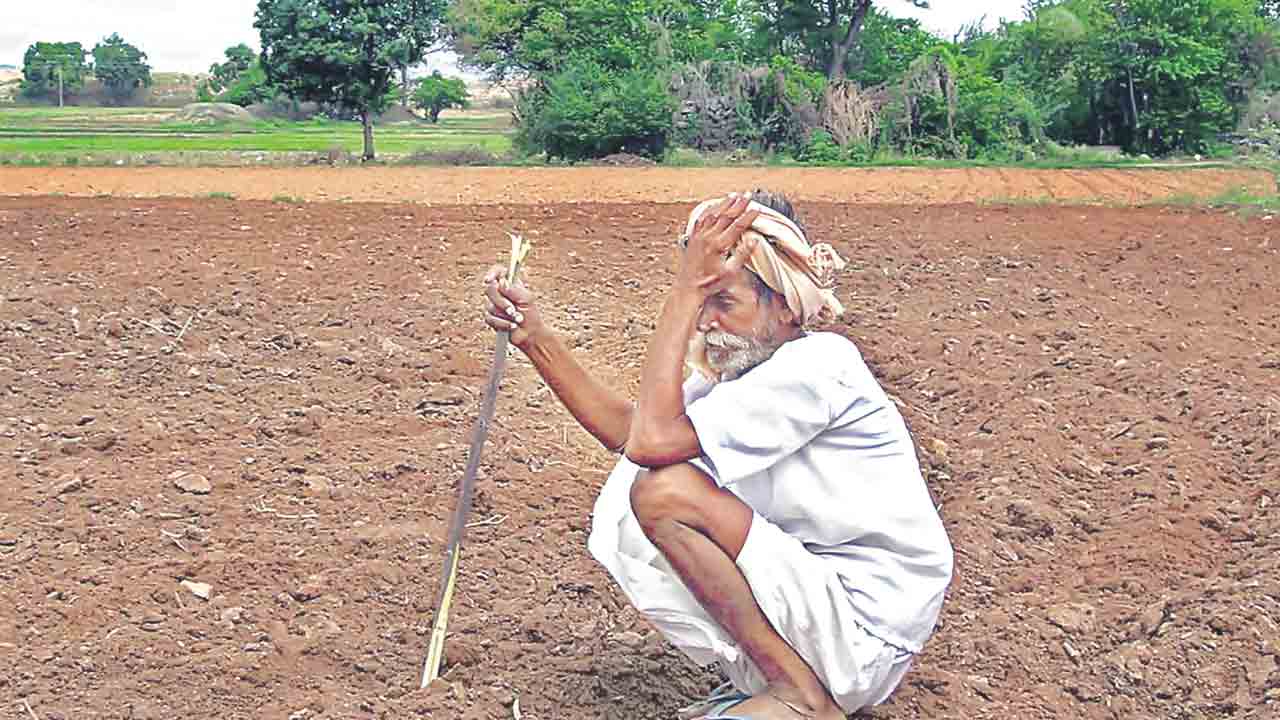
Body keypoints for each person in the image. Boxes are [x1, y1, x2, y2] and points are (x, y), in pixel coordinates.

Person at [482, 190, 953, 720]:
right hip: (828, 614)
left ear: (785, 303)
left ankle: (799, 695)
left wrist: (686, 289)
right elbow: (630, 432)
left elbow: (651, 442)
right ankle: (787, 680)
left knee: (664, 494)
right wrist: (536, 338)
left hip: (863, 628)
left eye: (723, 301)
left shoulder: (820, 365)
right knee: (657, 484)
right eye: (704, 303)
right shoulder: (742, 374)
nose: (706, 321)